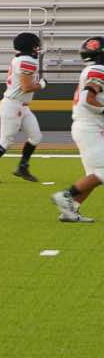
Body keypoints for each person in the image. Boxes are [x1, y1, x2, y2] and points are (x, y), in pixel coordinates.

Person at [51, 36, 104, 224]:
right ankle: (66, 195)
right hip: (90, 127)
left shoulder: (92, 70)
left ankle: (70, 211)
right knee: (102, 172)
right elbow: (87, 99)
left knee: (94, 175)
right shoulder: (99, 70)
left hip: (88, 126)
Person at [0, 32, 44, 183]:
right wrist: (42, 84)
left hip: (22, 106)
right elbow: (26, 87)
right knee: (6, 141)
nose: (38, 49)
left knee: (36, 136)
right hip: (13, 105)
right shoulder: (26, 61)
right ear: (31, 47)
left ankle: (22, 167)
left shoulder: (21, 59)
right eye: (36, 46)